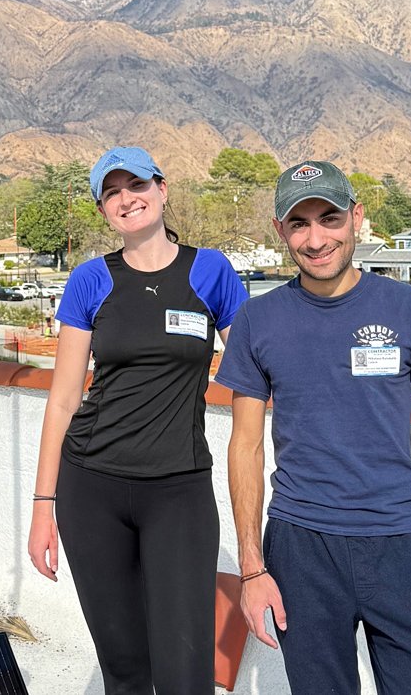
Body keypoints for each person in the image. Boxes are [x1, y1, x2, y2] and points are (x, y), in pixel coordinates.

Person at [216, 161, 411, 694]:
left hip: (401, 543)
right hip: (302, 549)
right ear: (281, 231)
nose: (316, 238)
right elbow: (246, 448)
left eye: (329, 218)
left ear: (357, 217)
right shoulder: (259, 320)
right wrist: (253, 571)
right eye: (299, 224)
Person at [27, 147, 247, 693]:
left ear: (163, 189)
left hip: (179, 491)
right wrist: (42, 507)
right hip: (91, 488)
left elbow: (253, 371)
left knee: (185, 674)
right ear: (103, 208)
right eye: (113, 192)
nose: (128, 199)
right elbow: (62, 401)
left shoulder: (211, 271)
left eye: (138, 185)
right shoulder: (90, 280)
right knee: (124, 670)